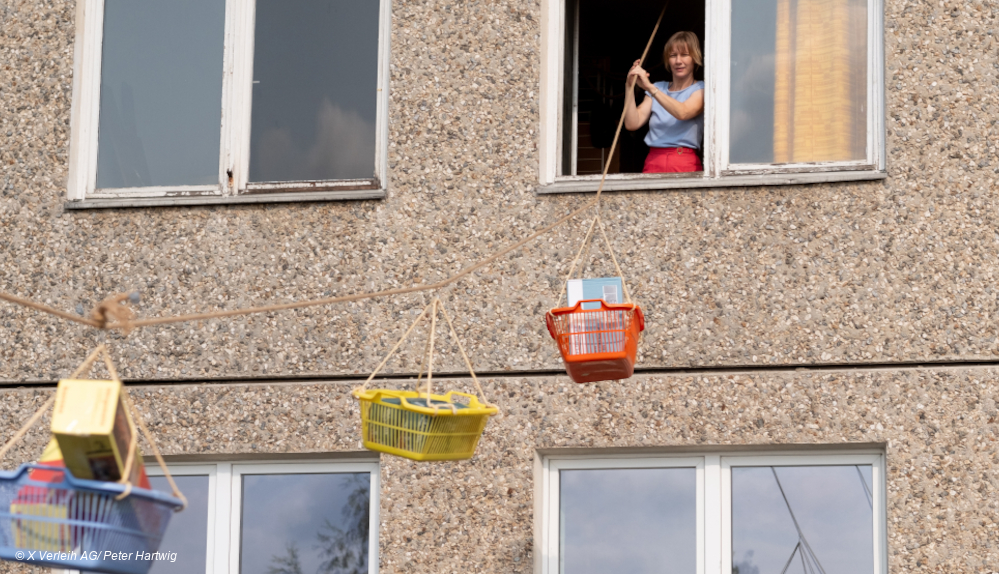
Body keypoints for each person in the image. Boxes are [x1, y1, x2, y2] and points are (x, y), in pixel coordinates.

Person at [624, 31, 705, 173]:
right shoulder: (658, 87)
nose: (678, 61)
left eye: (684, 55)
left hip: (684, 162)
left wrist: (649, 87)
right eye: (673, 56)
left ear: (695, 58)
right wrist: (629, 86)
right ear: (668, 60)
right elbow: (632, 123)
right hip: (653, 160)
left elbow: (683, 112)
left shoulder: (701, 88)